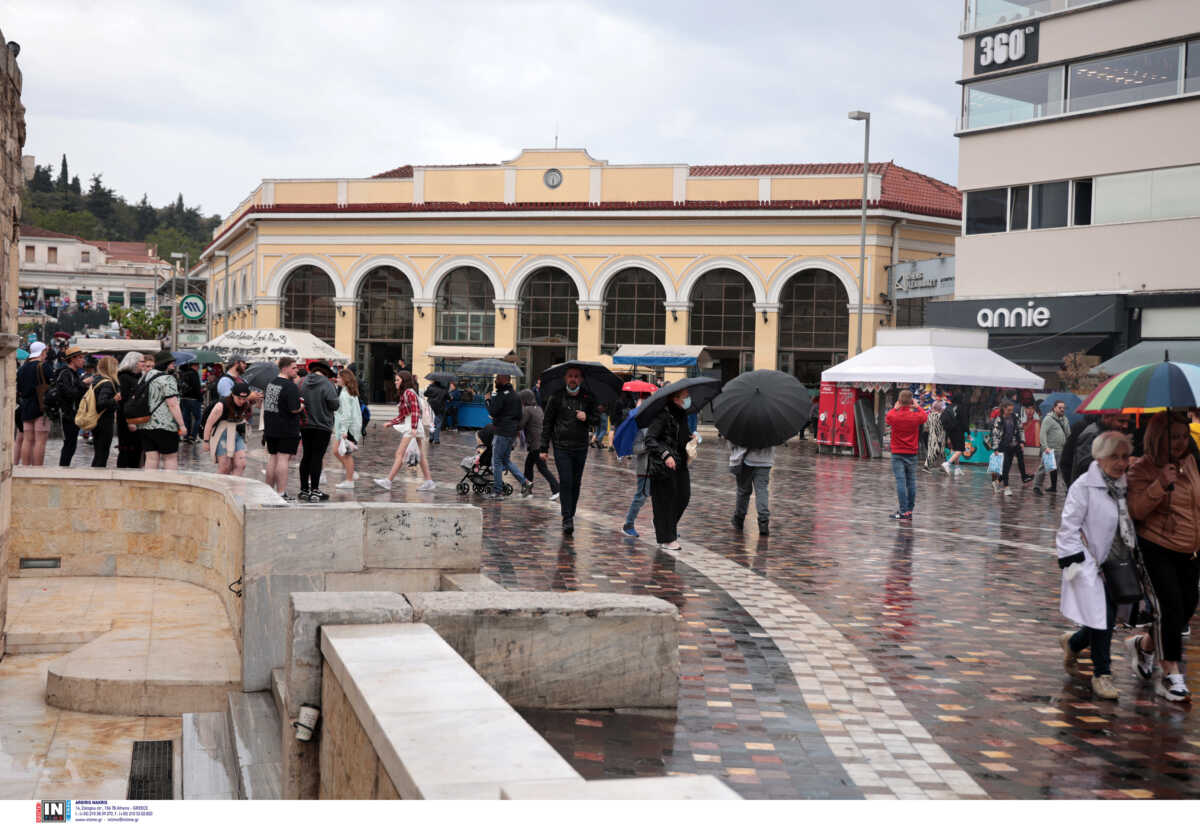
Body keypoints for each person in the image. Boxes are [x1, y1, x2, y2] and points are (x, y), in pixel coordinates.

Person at [1125, 412, 1200, 703]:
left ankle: (1143, 646)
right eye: (1173, 436)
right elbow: (1136, 510)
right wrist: (1159, 483)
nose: (1180, 443)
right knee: (1168, 608)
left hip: (1189, 549)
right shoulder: (1142, 468)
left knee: (1185, 609)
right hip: (1156, 548)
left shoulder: (1193, 462)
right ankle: (1171, 673)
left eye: (1184, 436)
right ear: (1158, 438)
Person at [1057, 430, 1134, 700]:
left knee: (1102, 619)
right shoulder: (1083, 486)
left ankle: (1074, 642)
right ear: (1099, 457)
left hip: (1120, 563)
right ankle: (1102, 674)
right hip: (1093, 563)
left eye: (1125, 456)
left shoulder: (1126, 484)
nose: (1121, 463)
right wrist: (1075, 560)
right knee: (1104, 619)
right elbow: (1069, 526)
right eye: (1114, 456)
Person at [540, 366, 598, 534]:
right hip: (561, 446)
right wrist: (544, 448)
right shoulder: (557, 397)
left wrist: (587, 417)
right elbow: (547, 423)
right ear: (565, 378)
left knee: (576, 482)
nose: (573, 379)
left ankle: (570, 514)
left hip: (580, 446)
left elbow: (597, 420)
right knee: (566, 481)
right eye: (570, 376)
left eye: (576, 376)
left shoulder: (588, 397)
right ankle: (567, 518)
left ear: (581, 379)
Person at [645, 387, 694, 551]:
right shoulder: (663, 415)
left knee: (683, 496)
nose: (688, 399)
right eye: (685, 396)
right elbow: (650, 439)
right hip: (664, 465)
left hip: (680, 462)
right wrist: (665, 454)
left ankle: (663, 525)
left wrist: (691, 438)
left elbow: (680, 437)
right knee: (666, 500)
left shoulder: (682, 415)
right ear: (675, 398)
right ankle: (667, 538)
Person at [374, 371, 436, 492]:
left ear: (404, 380)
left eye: (397, 380)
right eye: (395, 380)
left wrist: (413, 428)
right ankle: (429, 481)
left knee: (399, 454)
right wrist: (391, 423)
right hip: (413, 426)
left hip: (412, 427)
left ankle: (388, 481)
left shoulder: (408, 393)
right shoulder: (406, 394)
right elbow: (403, 415)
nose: (395, 382)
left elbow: (415, 411)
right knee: (421, 455)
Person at [298, 361, 341, 502]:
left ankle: (304, 489)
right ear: (326, 373)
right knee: (317, 457)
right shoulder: (327, 384)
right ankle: (315, 491)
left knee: (306, 456)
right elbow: (334, 404)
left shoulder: (302, 382)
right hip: (322, 426)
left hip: (305, 424)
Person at [138, 350, 187, 471]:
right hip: (165, 425)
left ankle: (151, 487)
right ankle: (170, 487)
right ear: (165, 363)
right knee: (170, 458)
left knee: (151, 458)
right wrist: (182, 425)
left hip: (146, 424)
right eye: (171, 363)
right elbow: (173, 404)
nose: (173, 365)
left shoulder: (145, 377)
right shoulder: (167, 379)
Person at [485, 374, 531, 498]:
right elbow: (519, 415)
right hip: (511, 432)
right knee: (506, 460)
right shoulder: (516, 395)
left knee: (497, 462)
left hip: (501, 431)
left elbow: (493, 412)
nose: (496, 380)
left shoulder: (501, 395)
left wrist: (488, 400)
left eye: (498, 378)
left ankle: (498, 491)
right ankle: (525, 482)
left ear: (505, 379)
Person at [263, 357, 302, 500]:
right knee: (283, 459)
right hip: (286, 428)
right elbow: (294, 409)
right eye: (294, 367)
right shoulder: (290, 386)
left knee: (273, 458)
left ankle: (268, 492)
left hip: (271, 427)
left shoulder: (270, 384)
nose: (296, 370)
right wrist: (301, 407)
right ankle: (281, 492)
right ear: (284, 368)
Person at [885, 390, 926, 521]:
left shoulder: (894, 416)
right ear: (911, 401)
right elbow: (925, 416)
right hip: (912, 452)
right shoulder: (915, 416)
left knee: (901, 482)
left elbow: (888, 418)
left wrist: (895, 408)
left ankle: (903, 511)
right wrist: (917, 406)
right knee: (911, 482)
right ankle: (909, 510)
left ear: (899, 401)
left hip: (897, 452)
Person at [202, 381, 253, 476]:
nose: (241, 401)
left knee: (241, 464)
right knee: (225, 467)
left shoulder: (246, 403)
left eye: (244, 399)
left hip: (236, 434)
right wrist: (205, 441)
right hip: (221, 434)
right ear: (233, 395)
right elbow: (209, 423)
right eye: (239, 398)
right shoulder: (221, 406)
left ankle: (234, 488)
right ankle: (219, 488)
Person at [1064, 413, 1127, 486]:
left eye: (1127, 422)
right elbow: (1085, 466)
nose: (1125, 425)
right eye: (1121, 421)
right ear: (1106, 417)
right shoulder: (1093, 435)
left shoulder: (1111, 435)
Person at [16, 341, 53, 467]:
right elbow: (52, 384)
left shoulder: (21, 369)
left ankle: (25, 468)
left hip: (25, 406)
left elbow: (19, 389)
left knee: (27, 440)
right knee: (40, 441)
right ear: (42, 352)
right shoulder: (44, 366)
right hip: (42, 406)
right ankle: (37, 470)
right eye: (45, 352)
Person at [519, 388, 559, 500]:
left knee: (542, 468)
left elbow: (520, 425)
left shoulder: (527, 410)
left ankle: (556, 489)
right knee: (528, 466)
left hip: (536, 444)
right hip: (539, 443)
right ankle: (527, 490)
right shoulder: (538, 408)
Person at [621, 395, 652, 538]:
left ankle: (665, 526)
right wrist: (648, 445)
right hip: (645, 468)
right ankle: (628, 524)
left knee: (661, 498)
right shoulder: (640, 427)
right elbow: (636, 448)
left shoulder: (658, 423)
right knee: (641, 497)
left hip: (658, 468)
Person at [730, 441, 773, 536]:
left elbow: (732, 441)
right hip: (765, 461)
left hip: (745, 460)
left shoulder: (741, 425)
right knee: (762, 491)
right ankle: (763, 522)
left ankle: (739, 519)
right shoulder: (769, 426)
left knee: (743, 491)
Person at [55, 346, 88, 467]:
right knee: (69, 444)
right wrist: (83, 384)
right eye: (80, 358)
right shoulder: (66, 373)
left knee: (72, 444)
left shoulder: (74, 374)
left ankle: (65, 467)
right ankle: (63, 468)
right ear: (72, 359)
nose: (83, 360)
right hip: (67, 414)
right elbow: (70, 393)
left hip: (73, 413)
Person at [990, 400, 1031, 495]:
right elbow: (995, 435)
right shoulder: (999, 419)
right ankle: (1006, 487)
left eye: (1011, 410)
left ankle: (996, 482)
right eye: (1009, 410)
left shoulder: (1015, 417)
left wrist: (1021, 441)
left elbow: (1020, 429)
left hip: (1015, 445)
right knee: (1005, 466)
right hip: (1003, 446)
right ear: (1004, 409)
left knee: (1009, 466)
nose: (1010, 412)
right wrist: (995, 448)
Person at [115, 352, 148, 469]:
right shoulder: (124, 377)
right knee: (126, 449)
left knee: (138, 449)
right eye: (142, 361)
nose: (144, 364)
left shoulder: (141, 377)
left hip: (139, 418)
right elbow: (125, 401)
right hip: (127, 418)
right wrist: (130, 420)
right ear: (134, 362)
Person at [332, 369, 363, 489]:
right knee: (336, 451)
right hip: (347, 427)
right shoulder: (348, 392)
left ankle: (349, 480)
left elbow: (346, 415)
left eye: (339, 377)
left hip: (347, 429)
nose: (337, 379)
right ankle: (351, 473)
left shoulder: (345, 394)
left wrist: (344, 431)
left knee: (346, 454)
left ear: (345, 379)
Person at [1034, 400, 1071, 496]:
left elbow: (1068, 433)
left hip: (1061, 449)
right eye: (1060, 407)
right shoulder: (1048, 419)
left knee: (1061, 470)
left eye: (1063, 408)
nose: (1062, 409)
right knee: (1043, 469)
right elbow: (1042, 434)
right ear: (1054, 408)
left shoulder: (1065, 419)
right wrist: (1045, 447)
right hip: (1050, 450)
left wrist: (1069, 445)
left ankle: (1066, 489)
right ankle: (1037, 487)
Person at [89, 355, 120, 468]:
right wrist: (115, 399)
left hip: (96, 419)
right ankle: (98, 478)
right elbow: (102, 402)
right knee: (102, 452)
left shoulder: (97, 380)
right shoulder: (108, 383)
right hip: (104, 420)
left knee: (98, 452)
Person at [178, 361, 204, 443]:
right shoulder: (194, 374)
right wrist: (201, 398)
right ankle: (193, 436)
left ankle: (186, 436)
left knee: (186, 418)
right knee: (198, 418)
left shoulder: (184, 373)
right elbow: (196, 387)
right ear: (195, 365)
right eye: (198, 365)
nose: (199, 367)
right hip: (194, 399)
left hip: (184, 399)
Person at [941, 396, 965, 475]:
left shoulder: (948, 408)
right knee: (960, 450)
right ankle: (947, 463)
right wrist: (967, 432)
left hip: (950, 431)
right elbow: (964, 421)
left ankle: (957, 469)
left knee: (955, 449)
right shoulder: (961, 408)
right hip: (958, 431)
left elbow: (942, 419)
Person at [923, 399, 947, 473]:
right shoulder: (942, 416)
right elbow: (946, 426)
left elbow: (926, 427)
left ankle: (943, 467)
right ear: (940, 408)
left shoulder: (929, 415)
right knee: (940, 452)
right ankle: (926, 466)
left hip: (932, 436)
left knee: (933, 451)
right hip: (941, 436)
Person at [424, 379, 448, 445]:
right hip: (440, 408)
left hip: (431, 407)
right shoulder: (444, 389)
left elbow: (425, 394)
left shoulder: (430, 388)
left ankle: (431, 438)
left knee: (431, 422)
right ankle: (436, 439)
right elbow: (448, 397)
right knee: (438, 424)